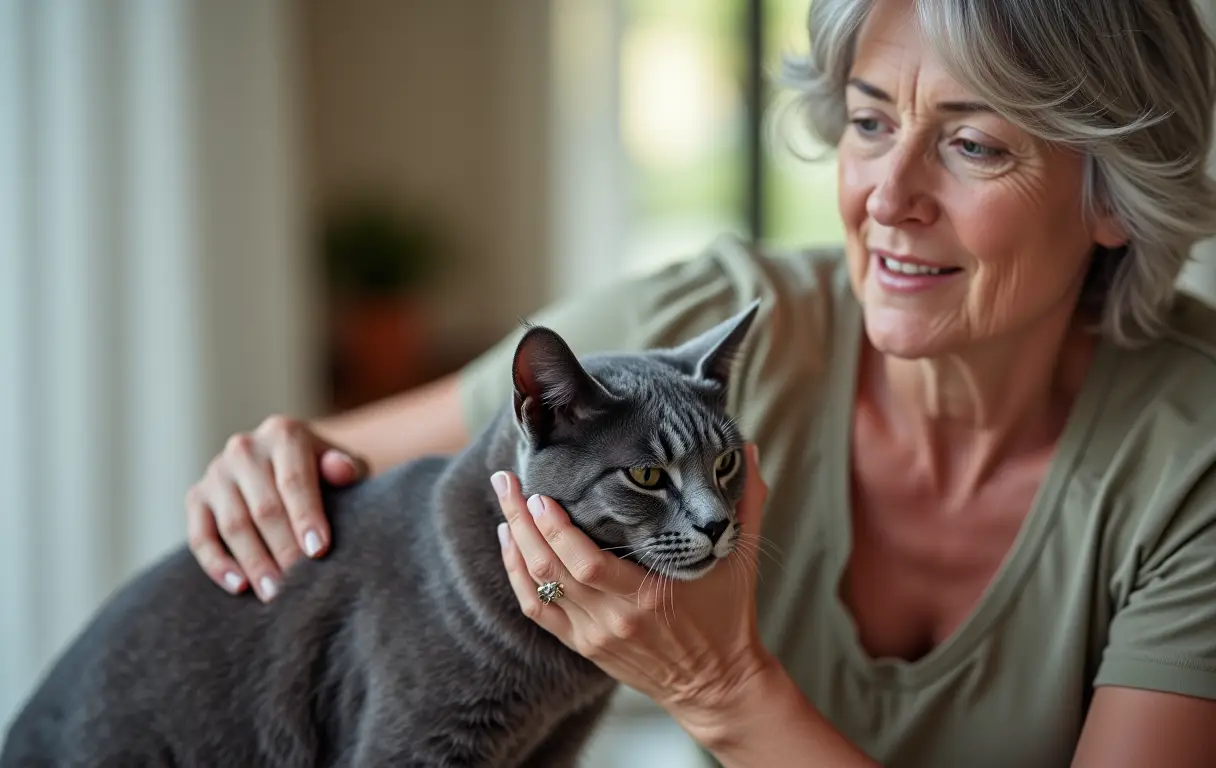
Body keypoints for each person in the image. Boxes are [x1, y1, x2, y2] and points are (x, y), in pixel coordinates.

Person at [182, 0, 1216, 764]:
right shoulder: (692, 326)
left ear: (1113, 195)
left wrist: (722, 688)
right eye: (866, 123)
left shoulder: (1192, 456)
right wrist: (265, 466)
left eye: (973, 143)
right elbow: (334, 461)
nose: (885, 196)